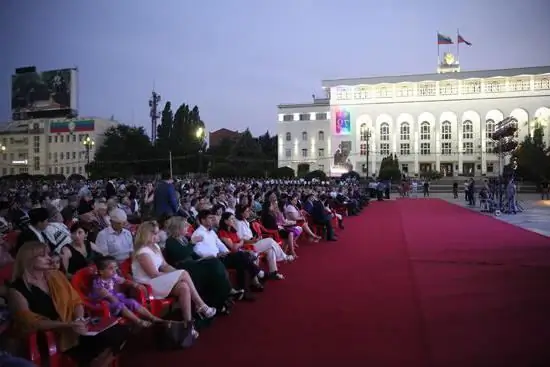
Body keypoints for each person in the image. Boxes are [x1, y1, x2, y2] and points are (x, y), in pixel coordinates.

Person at [7, 241, 129, 367]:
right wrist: (68, 324)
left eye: (48, 254)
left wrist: (79, 318)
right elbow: (31, 322)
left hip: (73, 326)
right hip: (49, 335)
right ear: (29, 260)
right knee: (101, 342)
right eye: (43, 256)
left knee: (121, 331)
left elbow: (76, 301)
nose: (49, 259)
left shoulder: (57, 275)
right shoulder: (16, 290)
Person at [132, 221, 216, 343]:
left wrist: (177, 273)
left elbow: (164, 265)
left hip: (158, 280)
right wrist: (178, 274)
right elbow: (153, 274)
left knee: (184, 286)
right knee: (183, 274)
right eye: (154, 233)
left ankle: (188, 325)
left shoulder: (155, 247)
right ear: (146, 234)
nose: (158, 235)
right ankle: (201, 305)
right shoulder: (142, 252)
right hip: (148, 285)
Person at [163, 216, 244, 310]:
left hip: (192, 264)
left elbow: (192, 254)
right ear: (177, 228)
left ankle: (222, 299)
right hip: (183, 268)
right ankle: (227, 293)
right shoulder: (170, 241)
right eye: (184, 226)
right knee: (214, 265)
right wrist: (192, 243)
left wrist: (203, 258)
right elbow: (181, 255)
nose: (187, 228)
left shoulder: (183, 239)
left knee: (214, 262)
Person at [192, 210, 264, 294]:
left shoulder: (211, 232)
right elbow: (198, 251)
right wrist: (216, 254)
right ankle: (258, 273)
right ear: (203, 220)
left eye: (213, 218)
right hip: (212, 260)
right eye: (210, 218)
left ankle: (244, 290)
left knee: (241, 258)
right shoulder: (197, 233)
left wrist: (227, 252)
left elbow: (220, 245)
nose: (213, 220)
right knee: (241, 256)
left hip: (221, 256)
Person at [90, 256, 164, 327]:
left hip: (114, 296)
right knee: (121, 305)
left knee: (132, 301)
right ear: (101, 272)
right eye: (111, 268)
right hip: (103, 303)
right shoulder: (98, 284)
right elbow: (111, 298)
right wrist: (122, 303)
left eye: (115, 268)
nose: (114, 271)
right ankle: (138, 321)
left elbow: (124, 281)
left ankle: (152, 317)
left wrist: (135, 285)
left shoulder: (113, 276)